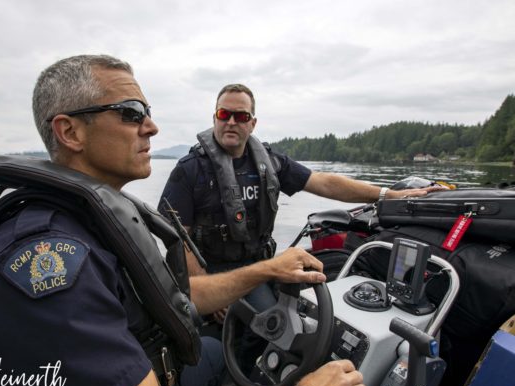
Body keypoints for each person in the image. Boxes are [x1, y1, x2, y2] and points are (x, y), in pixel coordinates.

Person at [0, 55, 366, 386]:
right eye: (132, 113)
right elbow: (178, 239)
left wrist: (267, 269)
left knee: (217, 352)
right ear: (70, 131)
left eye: (146, 113)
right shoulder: (52, 263)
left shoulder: (90, 220)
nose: (151, 127)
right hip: (153, 373)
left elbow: (167, 293)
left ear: (252, 123)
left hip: (159, 350)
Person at [158, 83, 443, 313]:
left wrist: (390, 194)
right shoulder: (189, 170)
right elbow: (175, 239)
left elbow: (325, 183)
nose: (232, 122)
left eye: (241, 116)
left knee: (288, 320)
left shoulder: (270, 162)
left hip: (260, 265)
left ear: (253, 123)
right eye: (224, 114)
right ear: (214, 118)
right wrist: (207, 289)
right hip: (213, 273)